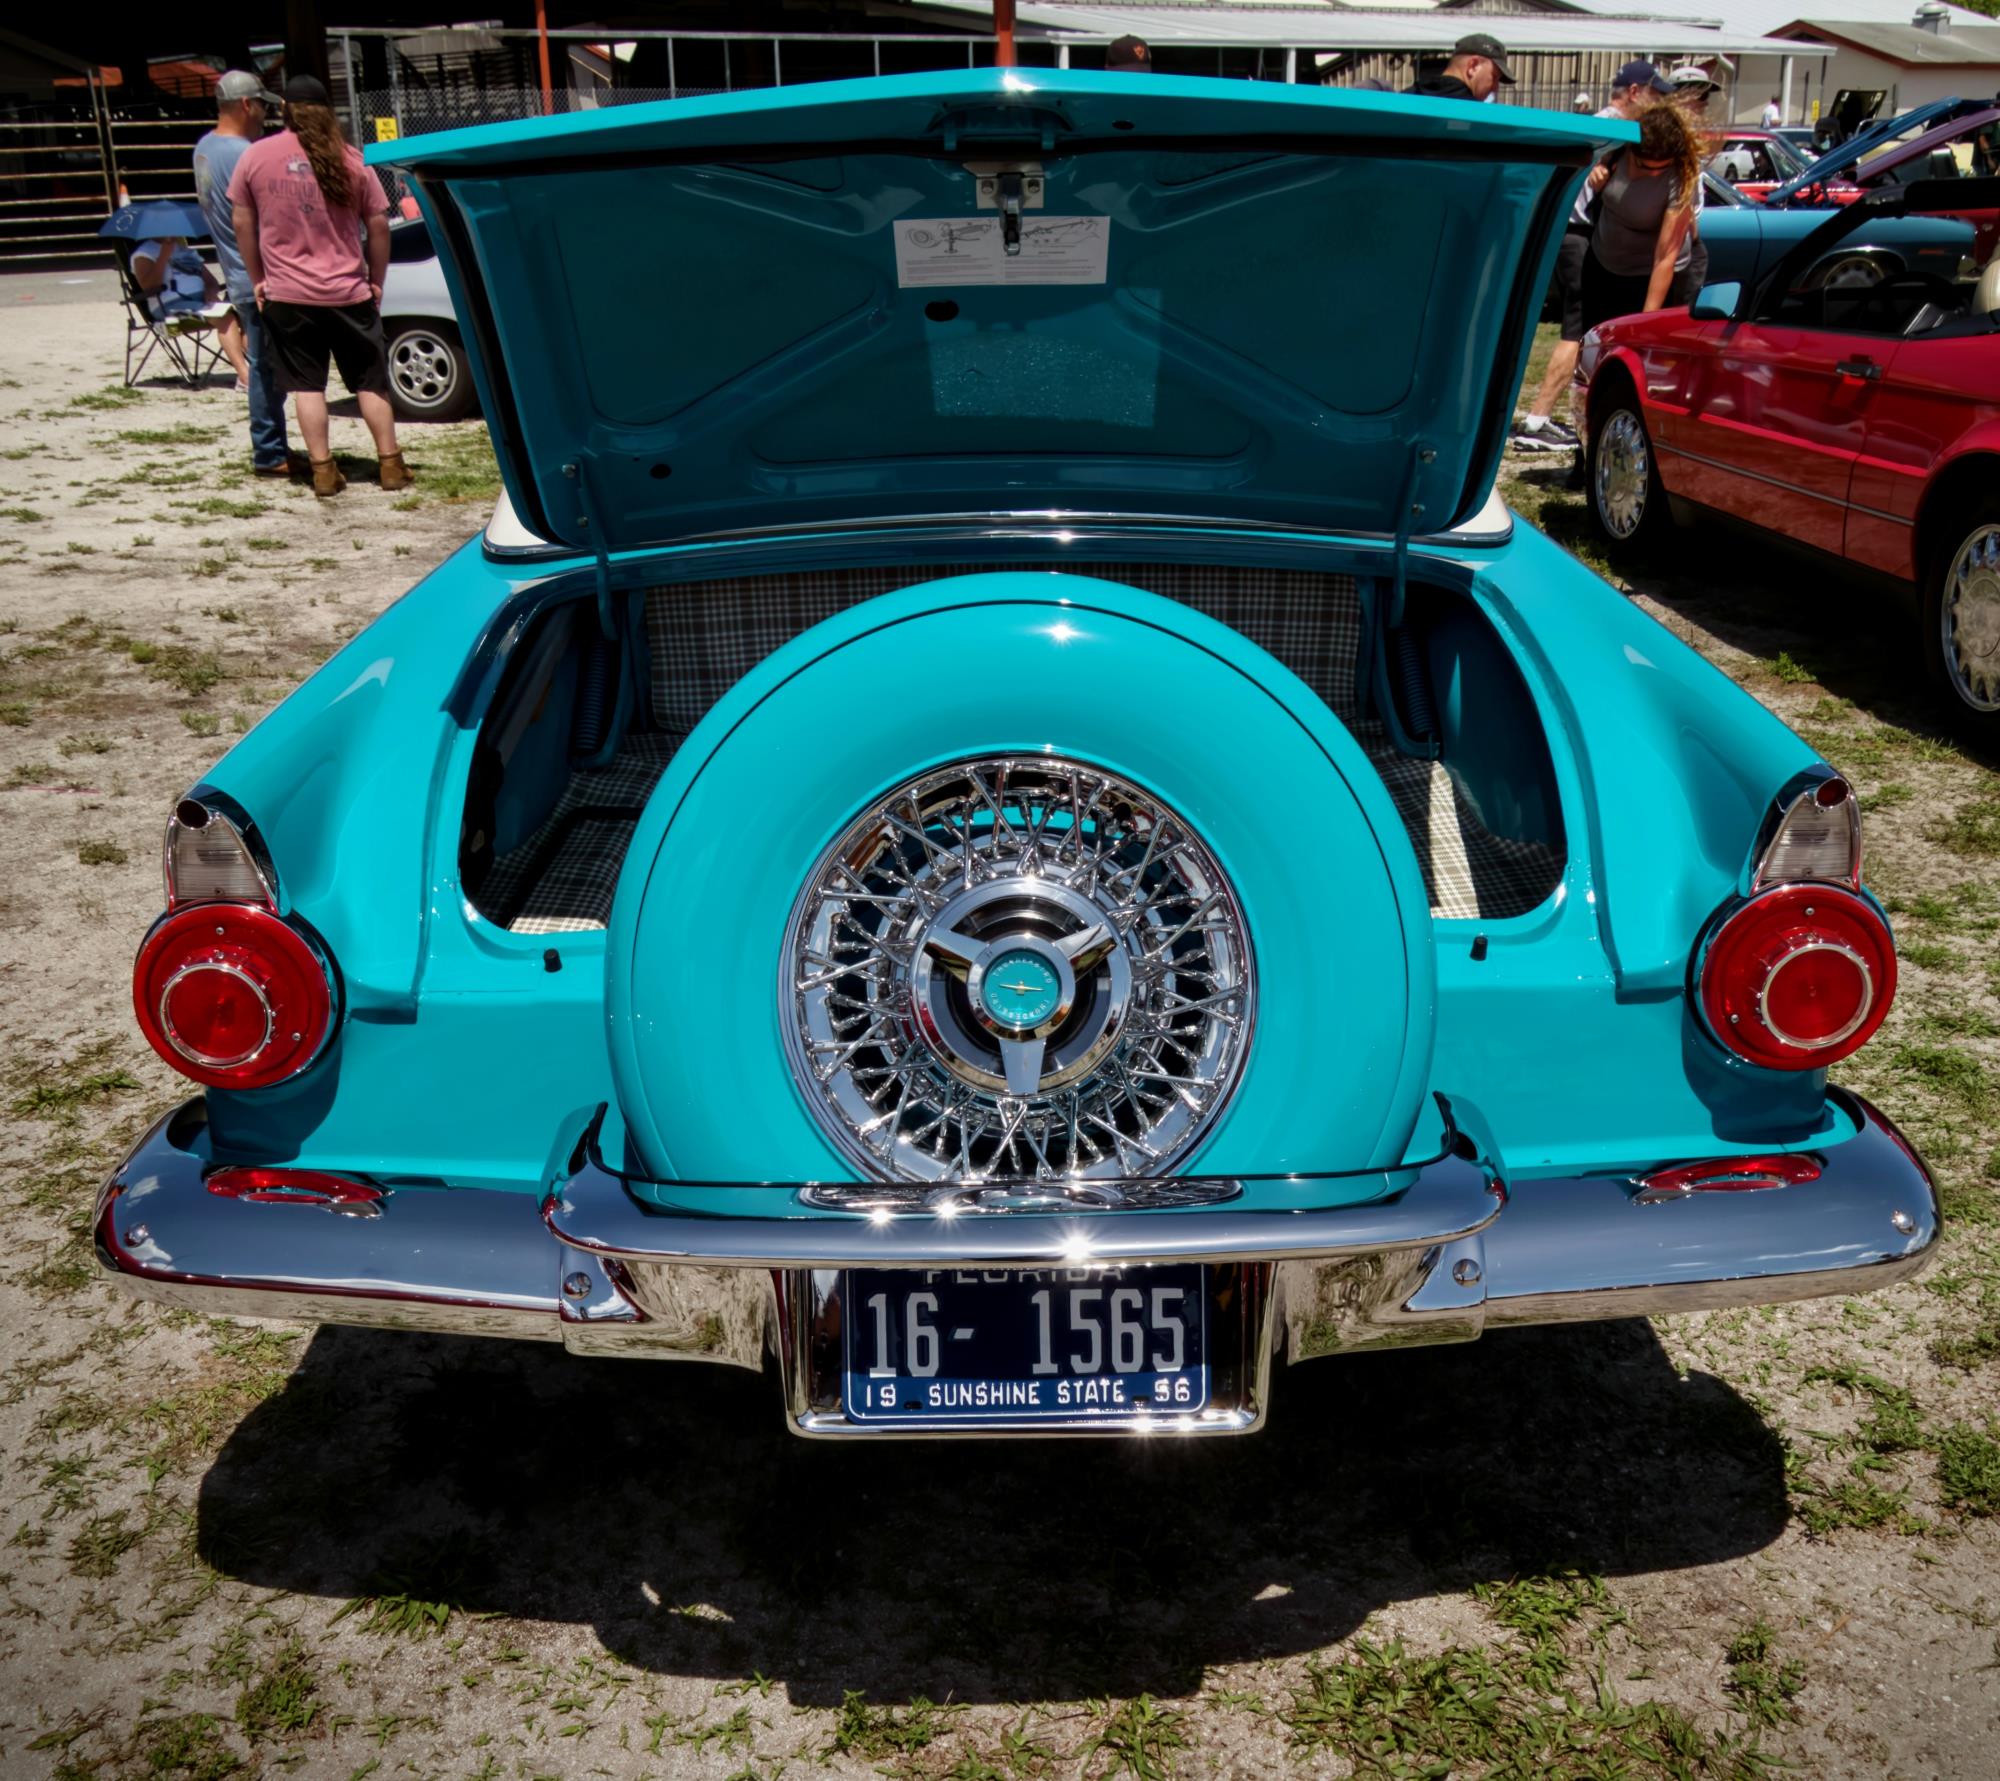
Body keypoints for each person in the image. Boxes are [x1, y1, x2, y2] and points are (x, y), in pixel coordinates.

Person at [229, 74, 411, 499]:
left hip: (288, 294)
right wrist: (376, 280)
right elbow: (378, 225)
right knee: (370, 382)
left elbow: (242, 222)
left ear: (285, 110)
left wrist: (258, 278)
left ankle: (324, 471)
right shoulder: (352, 160)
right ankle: (390, 465)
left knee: (307, 386)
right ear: (328, 111)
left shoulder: (255, 158)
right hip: (347, 291)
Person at [1512, 60, 1668, 455]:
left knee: (1580, 328)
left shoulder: (1600, 124)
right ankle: (1537, 420)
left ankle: (1546, 418)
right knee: (1577, 330)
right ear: (1635, 92)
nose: (1658, 105)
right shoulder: (1615, 129)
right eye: (1654, 94)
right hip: (1578, 234)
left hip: (1571, 233)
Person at [194, 69, 301, 480]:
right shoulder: (245, 155)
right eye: (261, 106)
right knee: (266, 367)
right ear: (245, 105)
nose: (264, 116)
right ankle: (269, 451)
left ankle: (273, 446)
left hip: (235, 269)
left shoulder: (204, 148)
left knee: (263, 364)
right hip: (258, 274)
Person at [1581, 103, 1706, 332]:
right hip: (1604, 263)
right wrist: (1596, 171)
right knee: (1595, 338)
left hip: (1654, 278)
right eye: (1646, 167)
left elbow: (1665, 258)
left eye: (1662, 168)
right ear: (1631, 150)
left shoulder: (1681, 176)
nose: (1655, 173)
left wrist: (1645, 322)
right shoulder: (1617, 148)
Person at [1406, 34, 1514, 103]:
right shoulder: (1479, 118)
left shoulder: (1406, 98)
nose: (1495, 88)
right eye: (1494, 77)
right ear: (1473, 66)